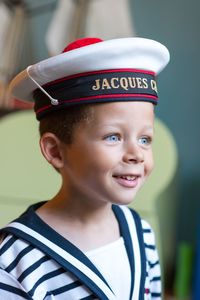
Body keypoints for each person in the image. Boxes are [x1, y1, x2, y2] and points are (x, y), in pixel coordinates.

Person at [0, 37, 170, 299]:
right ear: (56, 151)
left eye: (145, 139)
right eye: (113, 136)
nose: (137, 154)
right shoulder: (16, 257)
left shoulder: (141, 233)